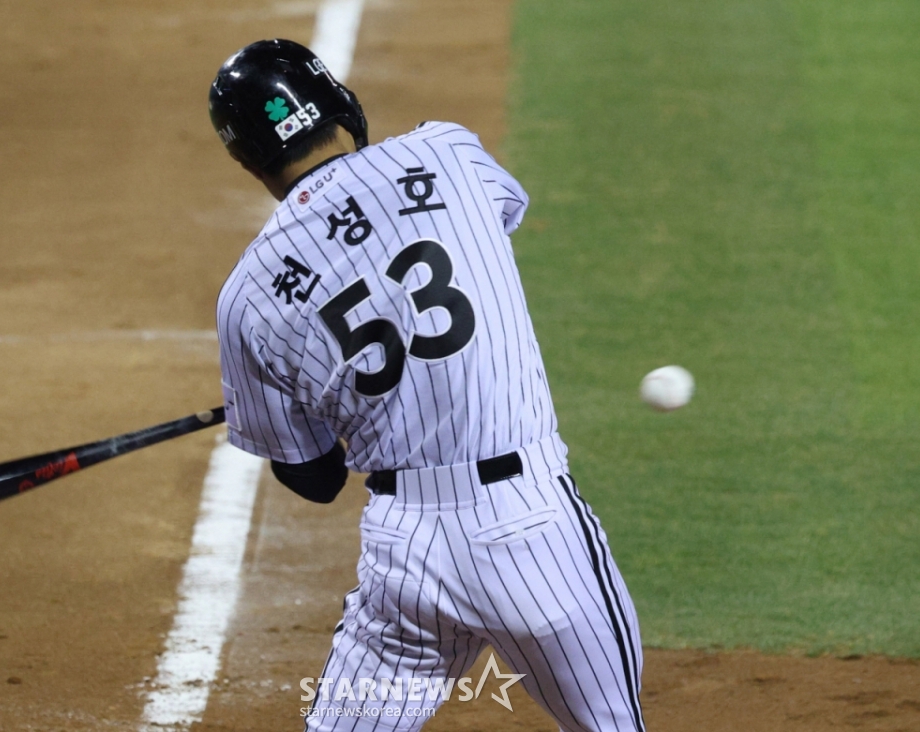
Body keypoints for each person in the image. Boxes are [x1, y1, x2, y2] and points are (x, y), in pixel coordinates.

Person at [209, 39, 645, 732]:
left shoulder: (246, 300)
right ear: (337, 103)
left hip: (405, 556)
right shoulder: (447, 152)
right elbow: (493, 231)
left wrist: (307, 393)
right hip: (531, 530)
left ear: (244, 158)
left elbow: (317, 478)